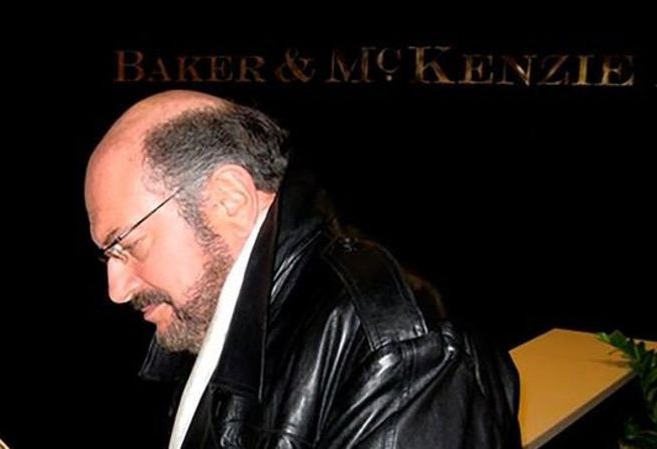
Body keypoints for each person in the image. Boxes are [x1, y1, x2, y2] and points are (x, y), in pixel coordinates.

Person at [84, 90, 521, 448]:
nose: (116, 290)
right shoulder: (209, 311)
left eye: (127, 244)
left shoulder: (400, 352)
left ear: (228, 200)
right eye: (108, 255)